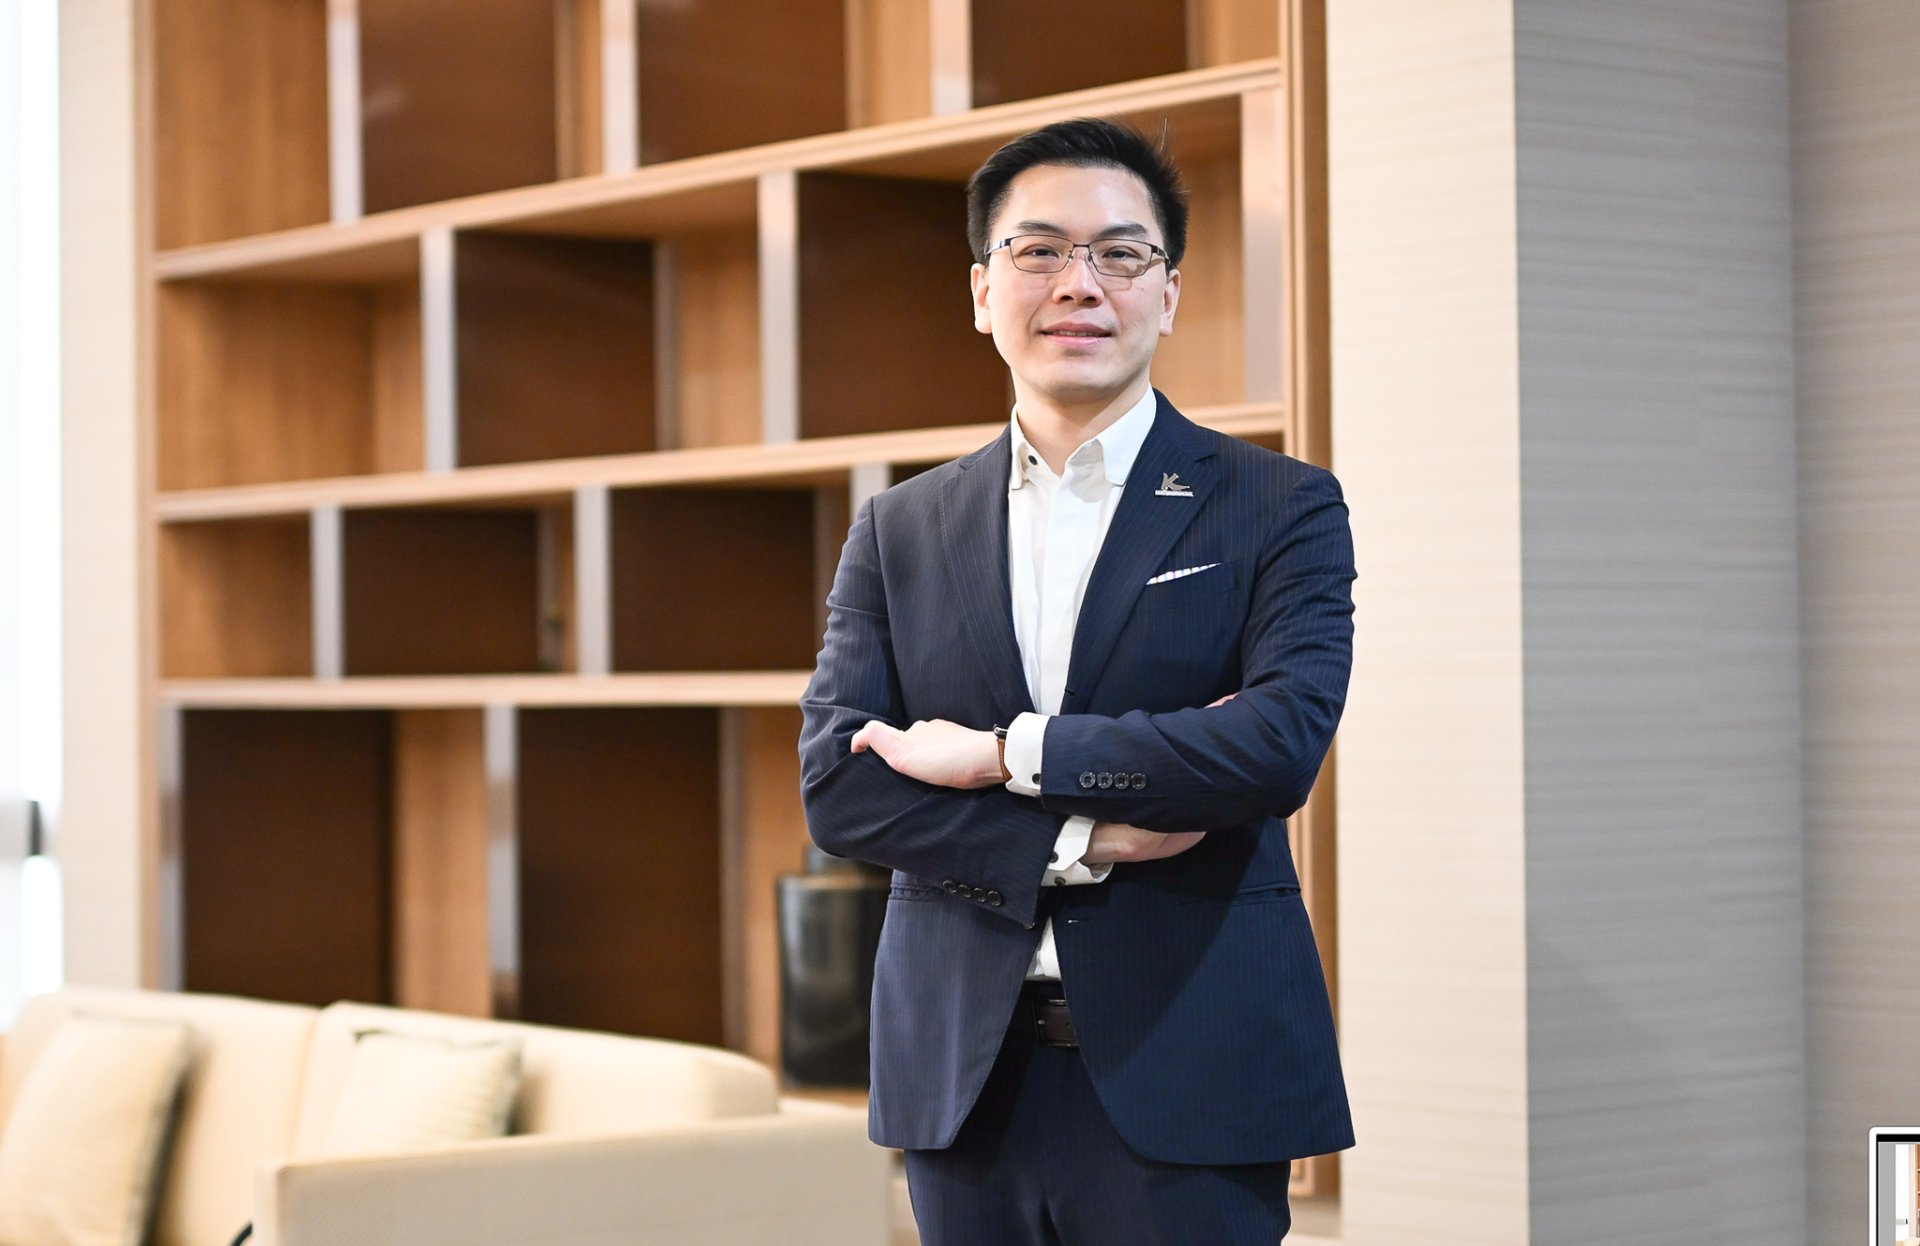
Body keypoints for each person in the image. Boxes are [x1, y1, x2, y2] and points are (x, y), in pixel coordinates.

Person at [798, 116, 1355, 1246]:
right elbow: (842, 789)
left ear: (1169, 291)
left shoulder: (1277, 505)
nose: (1079, 284)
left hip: (1193, 1068)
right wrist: (1085, 836)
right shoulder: (898, 526)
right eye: (1040, 250)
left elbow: (1272, 747)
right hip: (967, 1079)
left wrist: (1005, 754)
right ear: (981, 289)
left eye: (1120, 253)